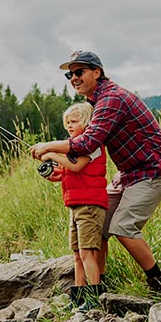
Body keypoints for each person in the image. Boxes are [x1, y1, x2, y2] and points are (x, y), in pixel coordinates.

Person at [31, 51, 161, 296]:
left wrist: (47, 147)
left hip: (155, 170)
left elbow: (87, 143)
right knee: (97, 224)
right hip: (128, 175)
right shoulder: (95, 104)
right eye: (70, 74)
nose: (74, 78)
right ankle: (97, 289)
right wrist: (61, 171)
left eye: (80, 72)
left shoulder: (112, 98)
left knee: (122, 227)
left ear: (97, 72)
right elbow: (86, 157)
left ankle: (160, 285)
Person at [38, 102, 108, 309]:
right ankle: (78, 298)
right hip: (75, 205)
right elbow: (64, 172)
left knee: (88, 253)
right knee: (77, 255)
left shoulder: (92, 145)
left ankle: (94, 299)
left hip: (90, 205)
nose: (69, 125)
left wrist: (50, 153)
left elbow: (77, 166)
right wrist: (50, 172)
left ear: (87, 122)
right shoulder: (73, 148)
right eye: (67, 122)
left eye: (74, 121)